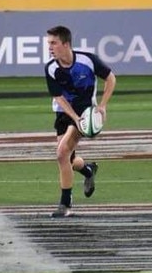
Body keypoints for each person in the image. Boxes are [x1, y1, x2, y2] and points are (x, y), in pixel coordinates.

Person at [44, 26, 116, 218]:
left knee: (61, 154)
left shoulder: (88, 60)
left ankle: (65, 205)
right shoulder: (51, 68)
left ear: (65, 44)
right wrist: (72, 117)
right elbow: (59, 97)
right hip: (64, 112)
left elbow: (110, 78)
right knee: (68, 158)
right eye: (48, 43)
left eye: (53, 43)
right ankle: (87, 169)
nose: (49, 47)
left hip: (85, 113)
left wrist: (102, 106)